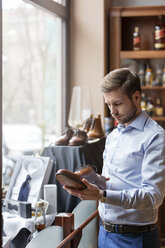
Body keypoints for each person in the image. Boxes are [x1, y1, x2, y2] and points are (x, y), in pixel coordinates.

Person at [63, 68, 165, 248]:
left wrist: (102, 195)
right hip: (105, 234)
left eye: (117, 103)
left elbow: (153, 197)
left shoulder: (155, 137)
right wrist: (95, 183)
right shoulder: (112, 137)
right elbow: (116, 182)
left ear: (136, 97)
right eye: (108, 104)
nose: (113, 111)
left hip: (136, 239)